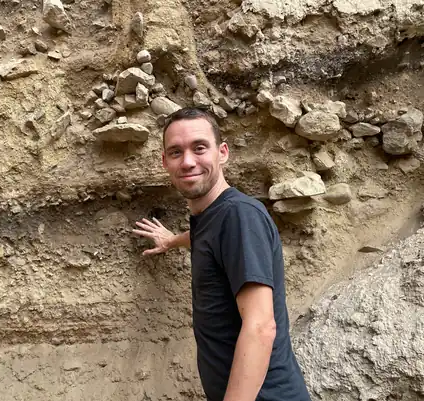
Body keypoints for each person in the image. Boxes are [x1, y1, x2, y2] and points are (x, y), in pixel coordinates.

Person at [133, 107, 311, 401]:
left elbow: (261, 327)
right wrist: (172, 240)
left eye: (199, 148)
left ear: (222, 152)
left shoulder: (239, 216)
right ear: (164, 161)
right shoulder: (215, 219)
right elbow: (208, 239)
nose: (188, 161)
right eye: (176, 152)